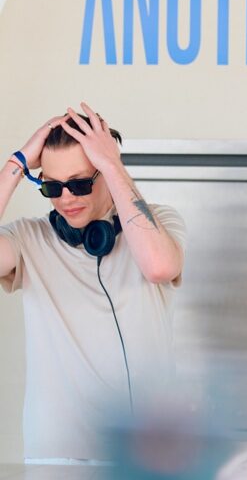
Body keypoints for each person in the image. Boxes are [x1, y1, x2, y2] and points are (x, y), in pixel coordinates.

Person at [0, 103, 186, 463]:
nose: (66, 198)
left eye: (80, 183)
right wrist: (17, 162)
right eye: (52, 187)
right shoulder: (27, 239)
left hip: (147, 458)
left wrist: (112, 165)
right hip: (57, 459)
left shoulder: (159, 222)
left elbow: (159, 267)